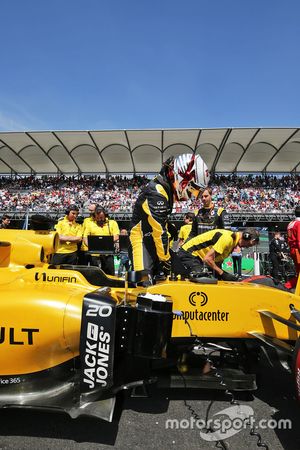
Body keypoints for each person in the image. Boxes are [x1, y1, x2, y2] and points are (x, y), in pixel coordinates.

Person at [129, 153, 210, 279]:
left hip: (153, 239)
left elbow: (159, 224)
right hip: (141, 239)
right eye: (193, 189)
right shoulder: (157, 192)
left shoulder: (165, 189)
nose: (192, 195)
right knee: (143, 282)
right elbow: (158, 229)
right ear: (183, 179)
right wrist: (166, 259)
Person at [176, 227, 260, 281]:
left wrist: (223, 276)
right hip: (188, 254)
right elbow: (207, 259)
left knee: (214, 279)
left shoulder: (232, 242)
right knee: (201, 279)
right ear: (246, 236)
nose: (247, 247)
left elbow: (216, 262)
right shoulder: (228, 239)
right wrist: (223, 274)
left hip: (196, 258)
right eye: (249, 244)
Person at [83, 206, 120, 275]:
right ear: (94, 217)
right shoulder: (89, 224)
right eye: (98, 218)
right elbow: (85, 238)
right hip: (94, 254)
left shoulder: (112, 223)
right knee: (94, 275)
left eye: (101, 217)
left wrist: (103, 243)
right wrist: (91, 245)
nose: (100, 219)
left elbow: (116, 236)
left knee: (109, 273)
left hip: (108, 253)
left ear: (105, 215)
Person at [285, 206, 300, 289]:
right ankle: (286, 286)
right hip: (298, 250)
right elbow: (299, 240)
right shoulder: (298, 224)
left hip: (293, 249)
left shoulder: (290, 223)